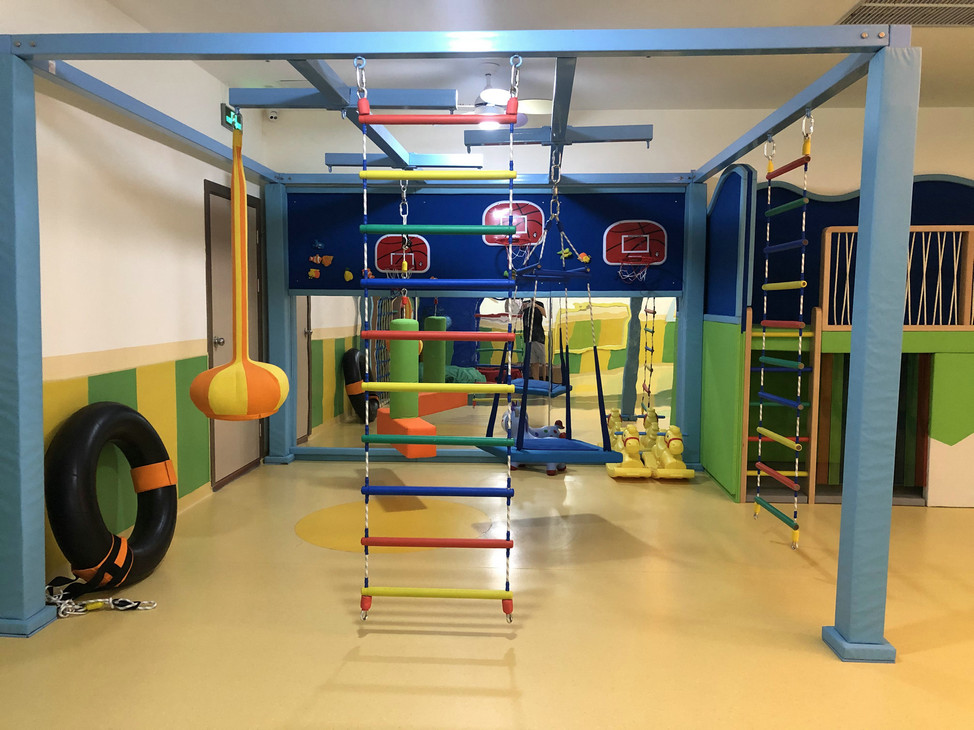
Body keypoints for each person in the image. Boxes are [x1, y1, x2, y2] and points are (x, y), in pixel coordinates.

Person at [521, 300, 547, 381]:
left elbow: (544, 314)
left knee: (543, 362)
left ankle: (544, 380)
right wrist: (522, 308)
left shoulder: (539, 303)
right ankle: (536, 381)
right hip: (528, 336)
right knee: (533, 362)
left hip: (538, 337)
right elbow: (518, 313)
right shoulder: (525, 303)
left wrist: (536, 306)